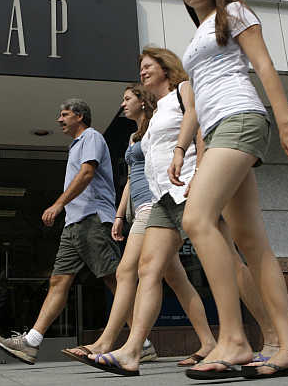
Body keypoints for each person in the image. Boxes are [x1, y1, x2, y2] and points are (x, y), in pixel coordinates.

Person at [86, 47, 279, 376]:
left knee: (230, 264)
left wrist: (201, 171)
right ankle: (132, 351)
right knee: (149, 268)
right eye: (141, 68)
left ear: (164, 68)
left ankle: (273, 337)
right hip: (162, 199)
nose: (143, 72)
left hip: (190, 189)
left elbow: (201, 127)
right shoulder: (157, 110)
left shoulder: (182, 91)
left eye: (148, 67)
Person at [172, 0, 288, 380]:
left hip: (242, 117)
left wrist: (286, 125)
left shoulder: (234, 12)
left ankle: (233, 339)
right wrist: (187, 152)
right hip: (218, 131)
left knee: (196, 219)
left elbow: (264, 65)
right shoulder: (199, 33)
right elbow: (198, 104)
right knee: (251, 242)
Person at [62, 85, 215, 366]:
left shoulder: (158, 126)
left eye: (127, 99)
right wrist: (120, 215)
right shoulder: (134, 136)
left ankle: (108, 341)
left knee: (126, 270)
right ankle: (208, 343)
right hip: (143, 208)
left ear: (143, 102)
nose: (122, 105)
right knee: (177, 280)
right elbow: (134, 177)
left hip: (157, 203)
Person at [0, 99, 122, 365]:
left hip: (93, 218)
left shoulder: (92, 137)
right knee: (58, 281)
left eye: (64, 115)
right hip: (73, 224)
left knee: (112, 278)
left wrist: (59, 203)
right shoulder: (75, 145)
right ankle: (32, 342)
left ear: (79, 116)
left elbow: (87, 173)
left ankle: (141, 342)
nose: (59, 120)